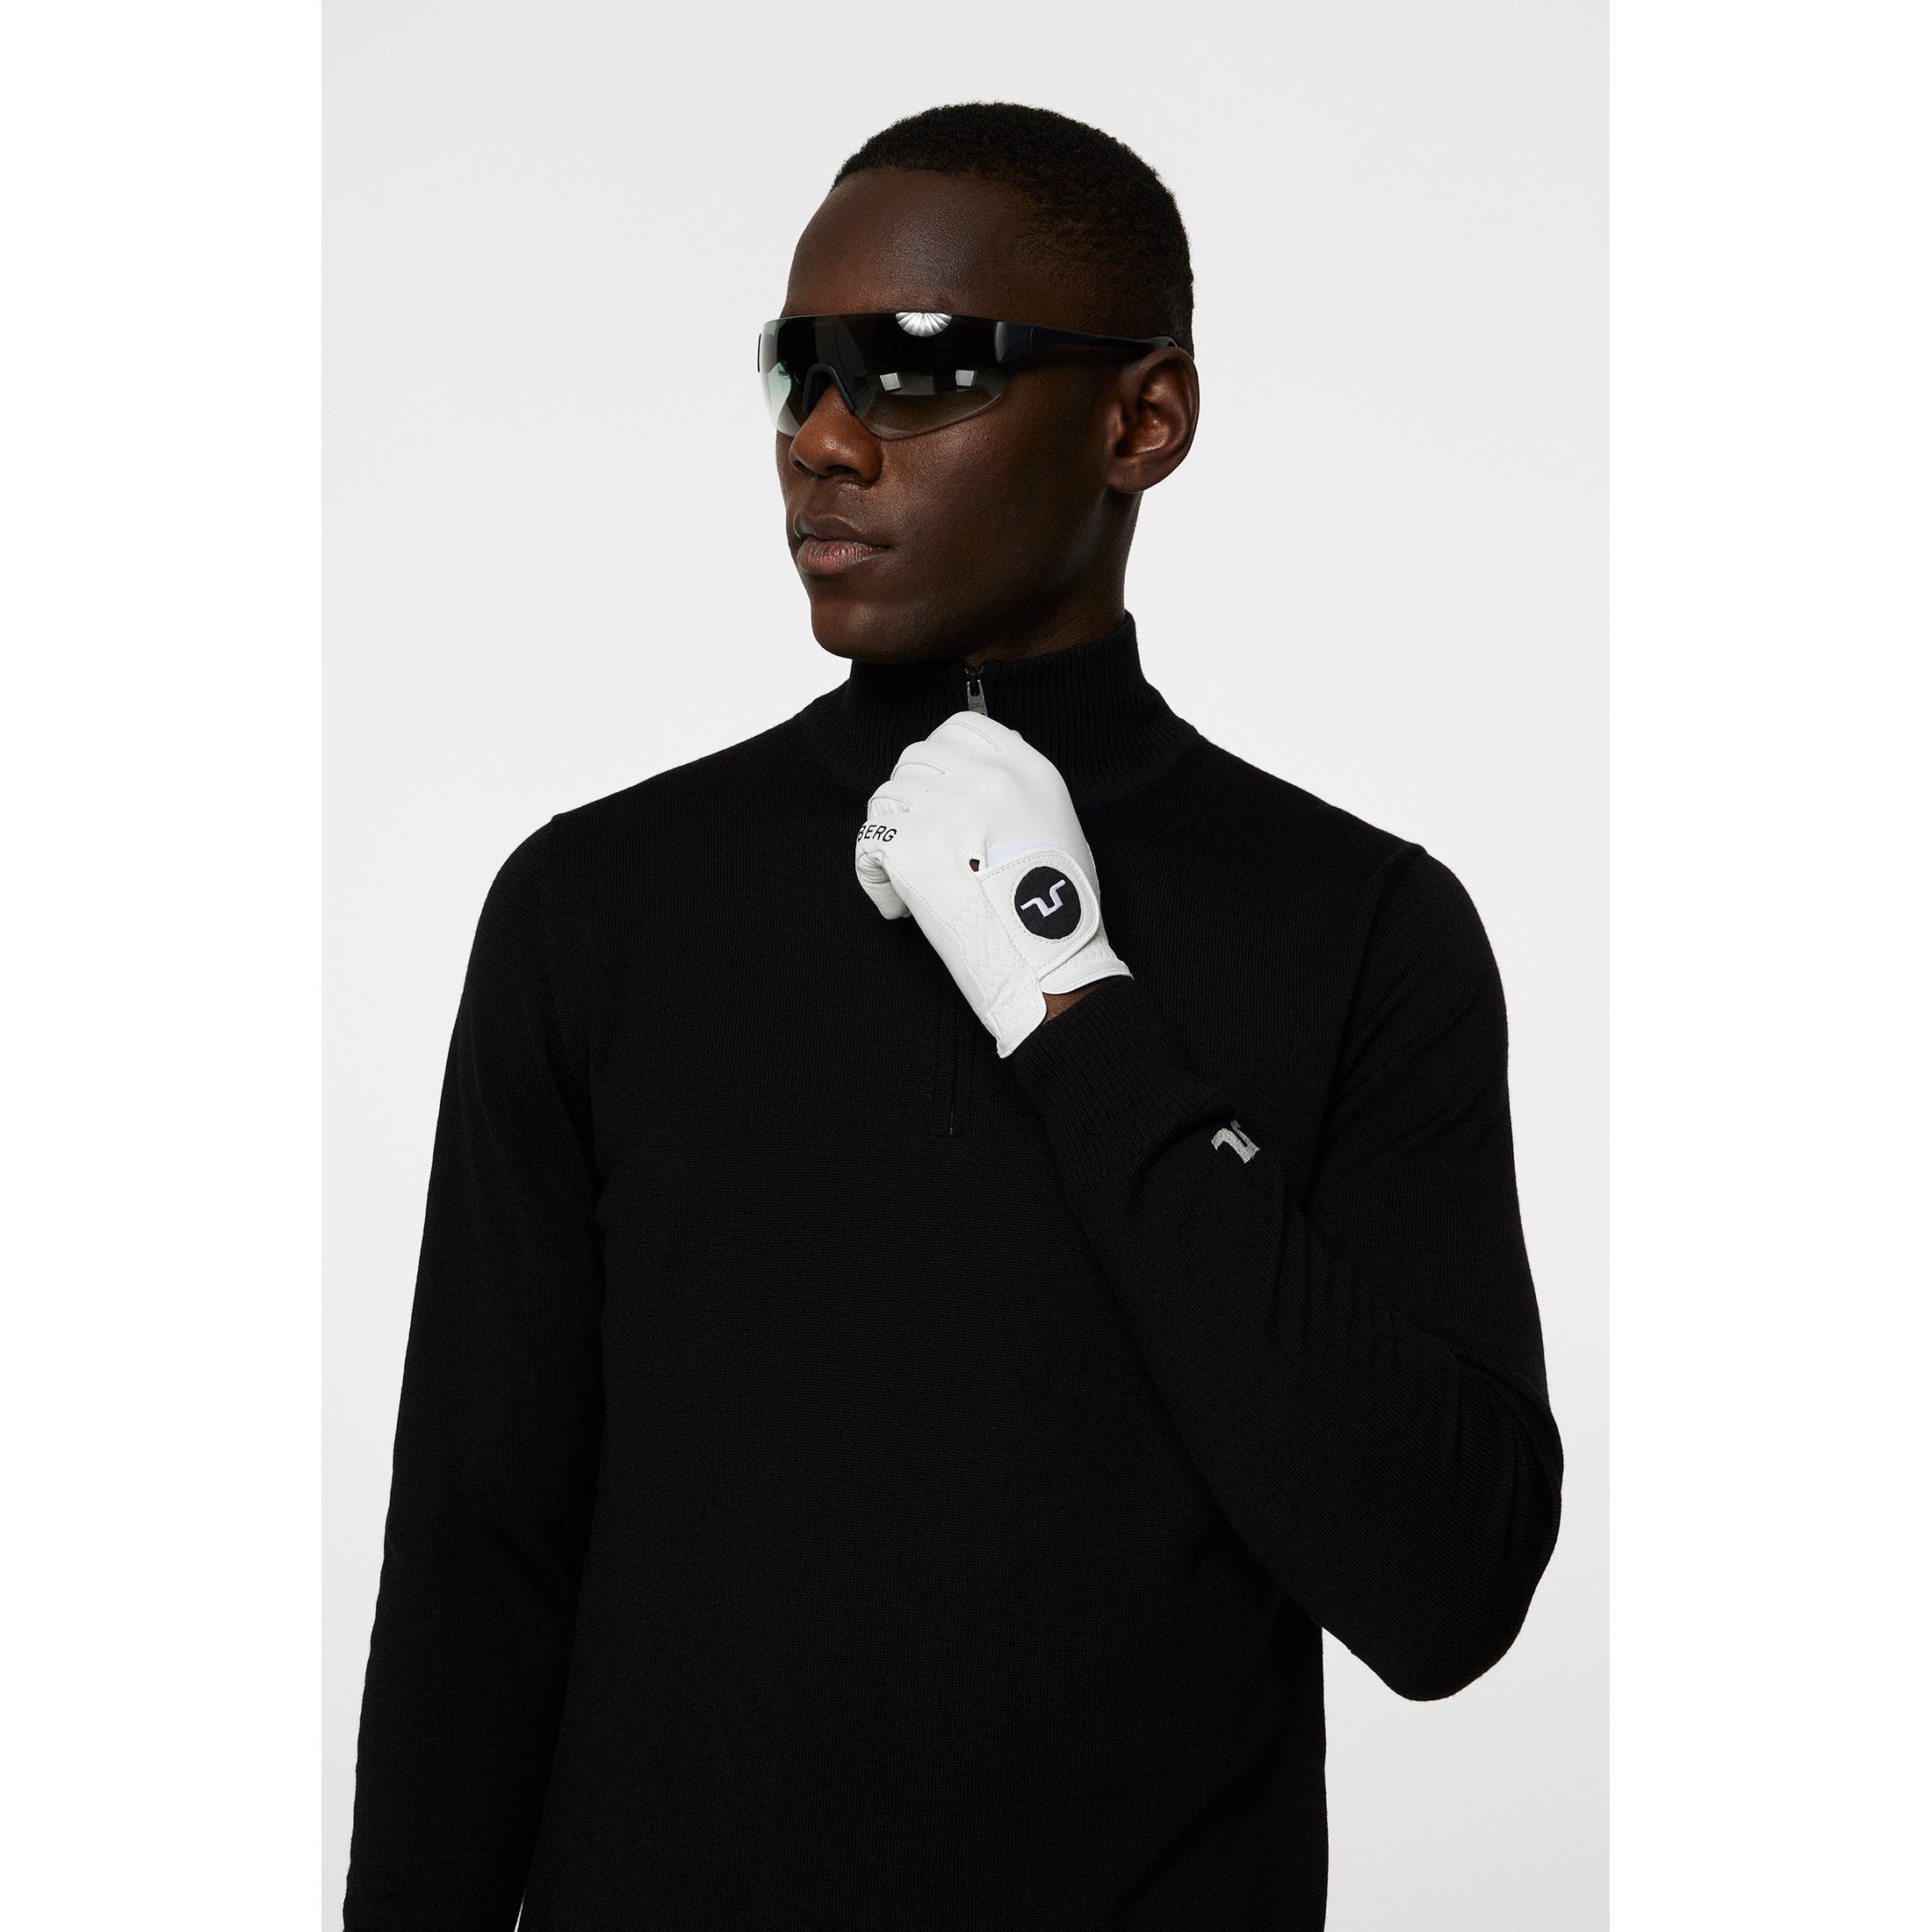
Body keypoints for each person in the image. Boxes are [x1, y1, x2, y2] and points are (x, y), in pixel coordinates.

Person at [342, 101, 1562, 1931]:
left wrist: (1070, 998)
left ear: (1142, 420)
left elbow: (1442, 1583)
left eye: (920, 367)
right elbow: (476, 1569)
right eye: (800, 371)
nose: (825, 441)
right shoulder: (597, 906)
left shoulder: (1361, 926)